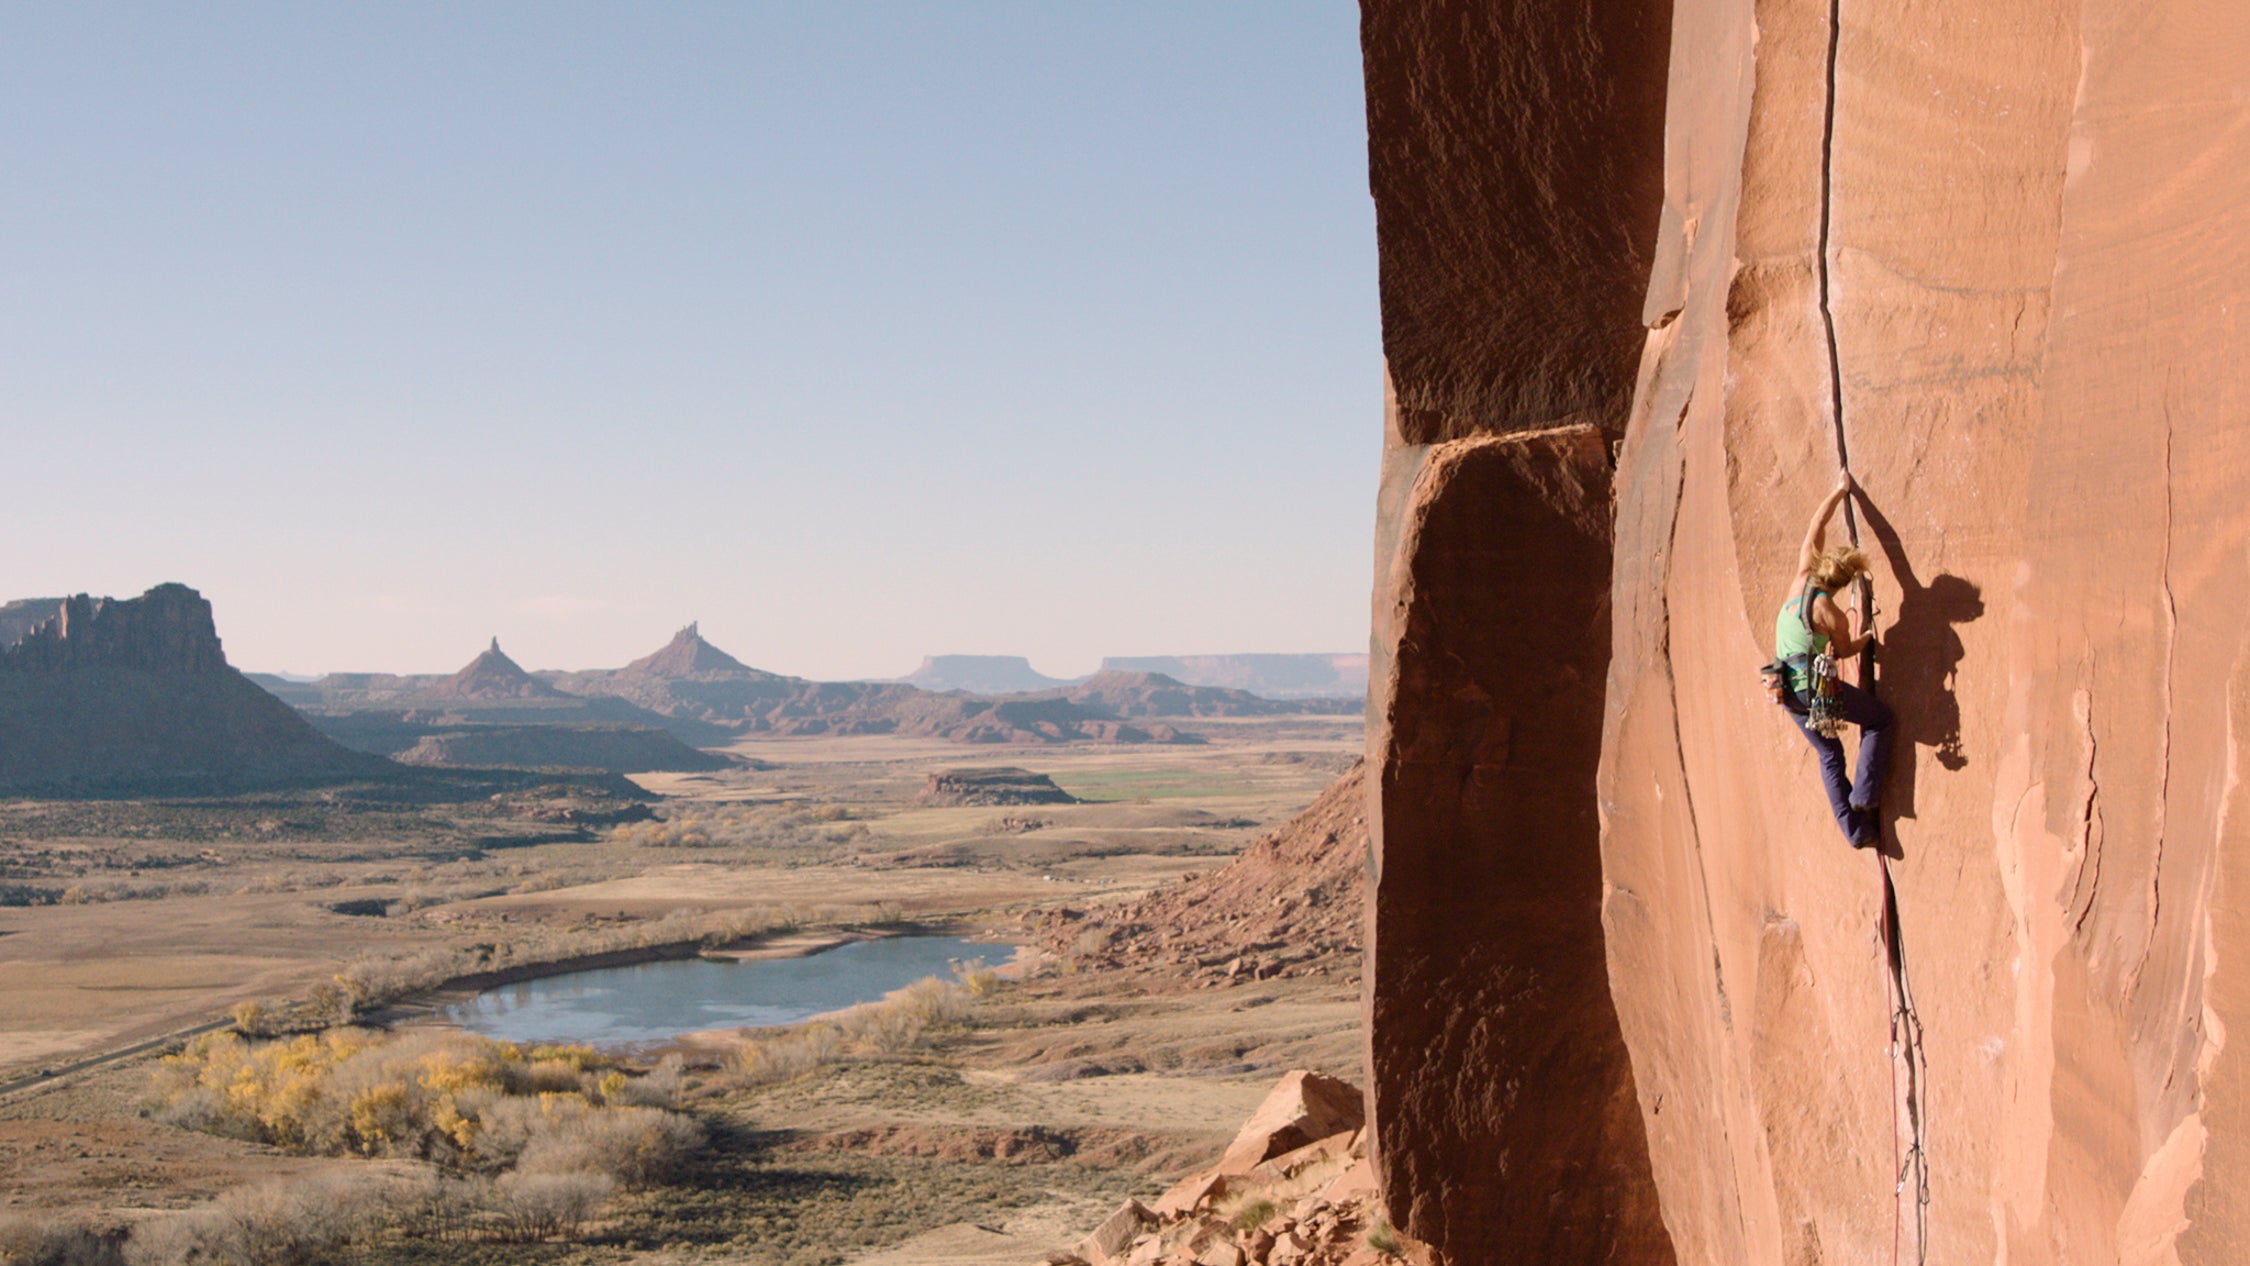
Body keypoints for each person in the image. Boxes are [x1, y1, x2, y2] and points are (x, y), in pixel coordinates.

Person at [1776, 471, 1892, 849]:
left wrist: (1839, 489)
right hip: (1813, 692)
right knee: (1879, 719)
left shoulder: (1801, 577)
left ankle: (1855, 831)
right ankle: (1863, 793)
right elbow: (1845, 652)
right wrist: (1868, 635)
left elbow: (1816, 524)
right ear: (1843, 583)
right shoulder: (1831, 613)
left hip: (1785, 690)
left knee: (1829, 754)